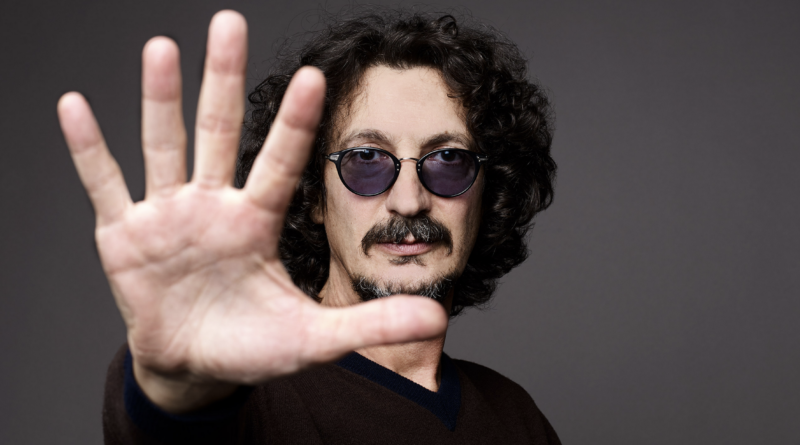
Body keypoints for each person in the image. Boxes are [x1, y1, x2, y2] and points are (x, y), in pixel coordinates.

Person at [57, 8, 559, 444]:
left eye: (448, 160)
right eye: (366, 160)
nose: (409, 201)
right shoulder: (249, 393)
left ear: (487, 192)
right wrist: (175, 388)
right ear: (314, 195)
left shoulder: (515, 417)